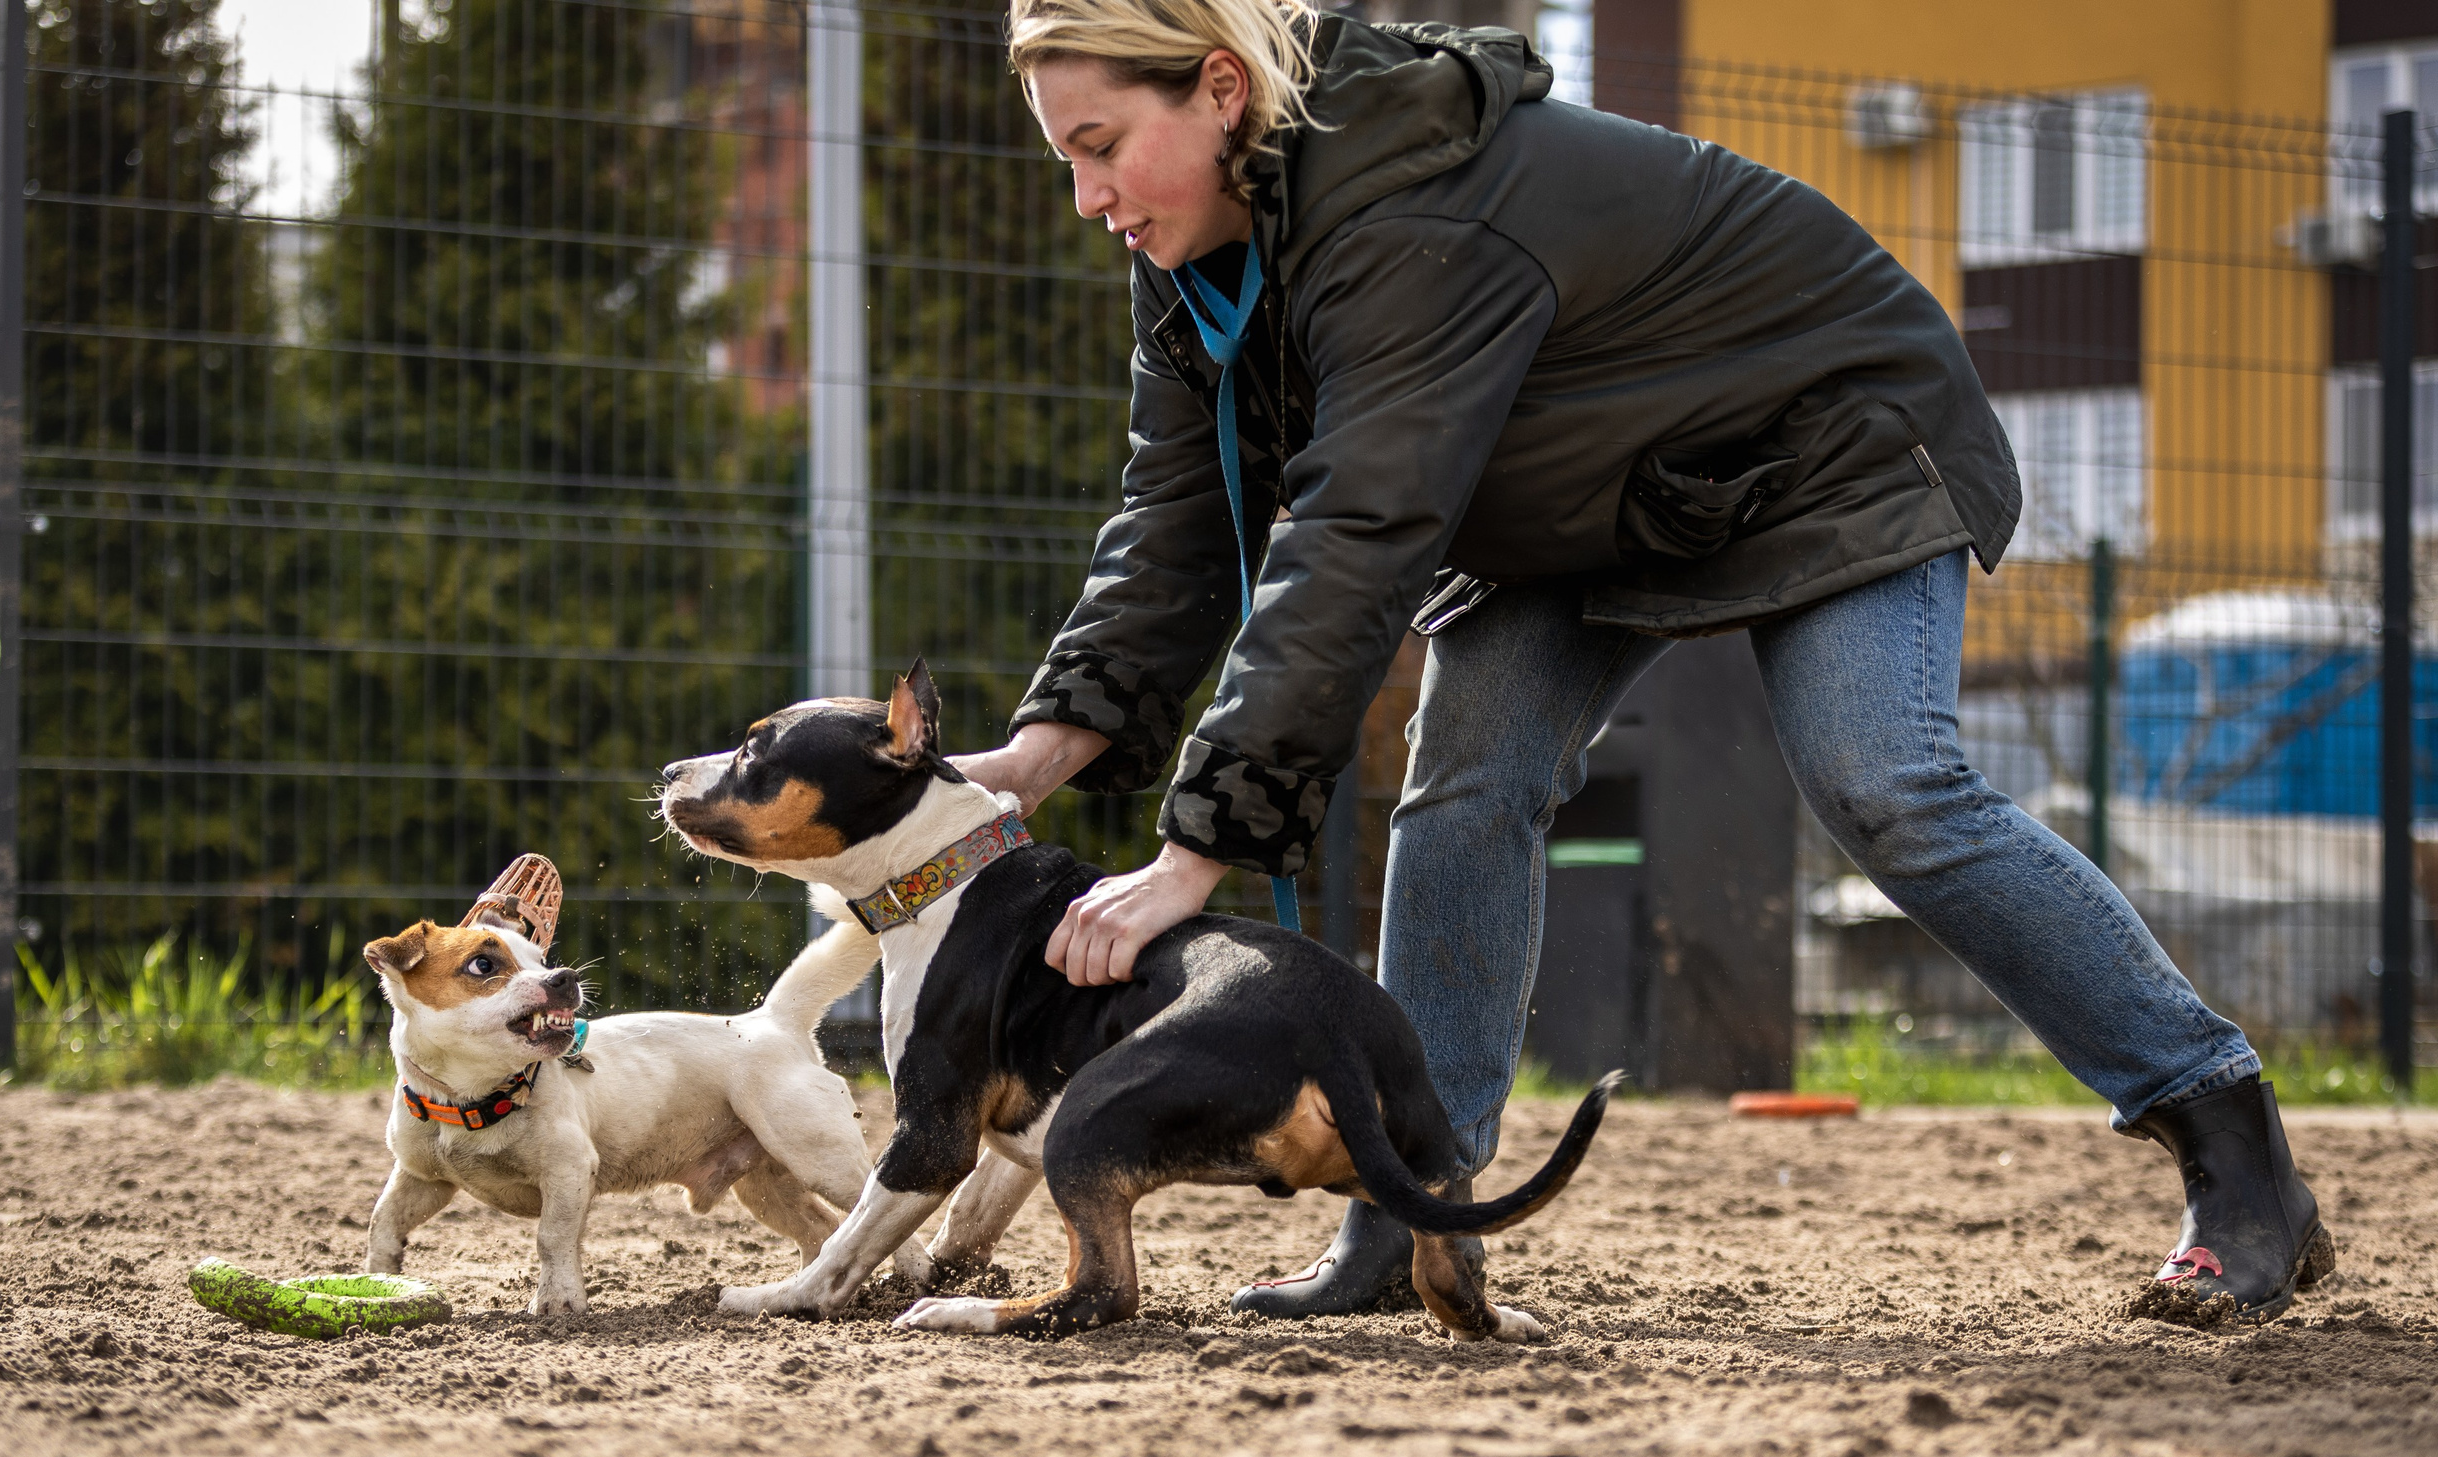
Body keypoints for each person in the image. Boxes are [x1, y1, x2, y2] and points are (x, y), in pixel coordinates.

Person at [950, 0, 2332, 1322]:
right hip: (1593, 500)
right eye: (1065, 156)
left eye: (1099, 148)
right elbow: (1178, 518)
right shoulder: (1197, 256)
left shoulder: (1410, 207)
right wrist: (1043, 744)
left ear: (1220, 91)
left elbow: (1365, 530)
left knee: (1885, 782)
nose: (1089, 198)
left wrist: (1194, 853)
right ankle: (1411, 1203)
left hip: (1825, 438)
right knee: (1467, 779)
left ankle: (2226, 1135)